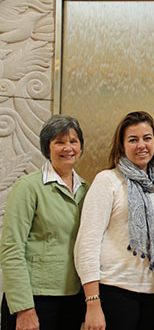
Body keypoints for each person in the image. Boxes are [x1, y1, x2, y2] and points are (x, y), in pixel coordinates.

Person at [74, 111, 154, 330]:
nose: (142, 145)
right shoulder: (107, 181)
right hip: (115, 290)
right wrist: (92, 302)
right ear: (121, 146)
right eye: (133, 139)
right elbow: (87, 243)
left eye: (147, 138)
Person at [0, 115, 87, 330]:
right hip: (35, 299)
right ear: (47, 147)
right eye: (59, 142)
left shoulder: (86, 189)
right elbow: (11, 247)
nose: (68, 148)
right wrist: (23, 307)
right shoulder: (29, 187)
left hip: (72, 299)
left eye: (73, 141)